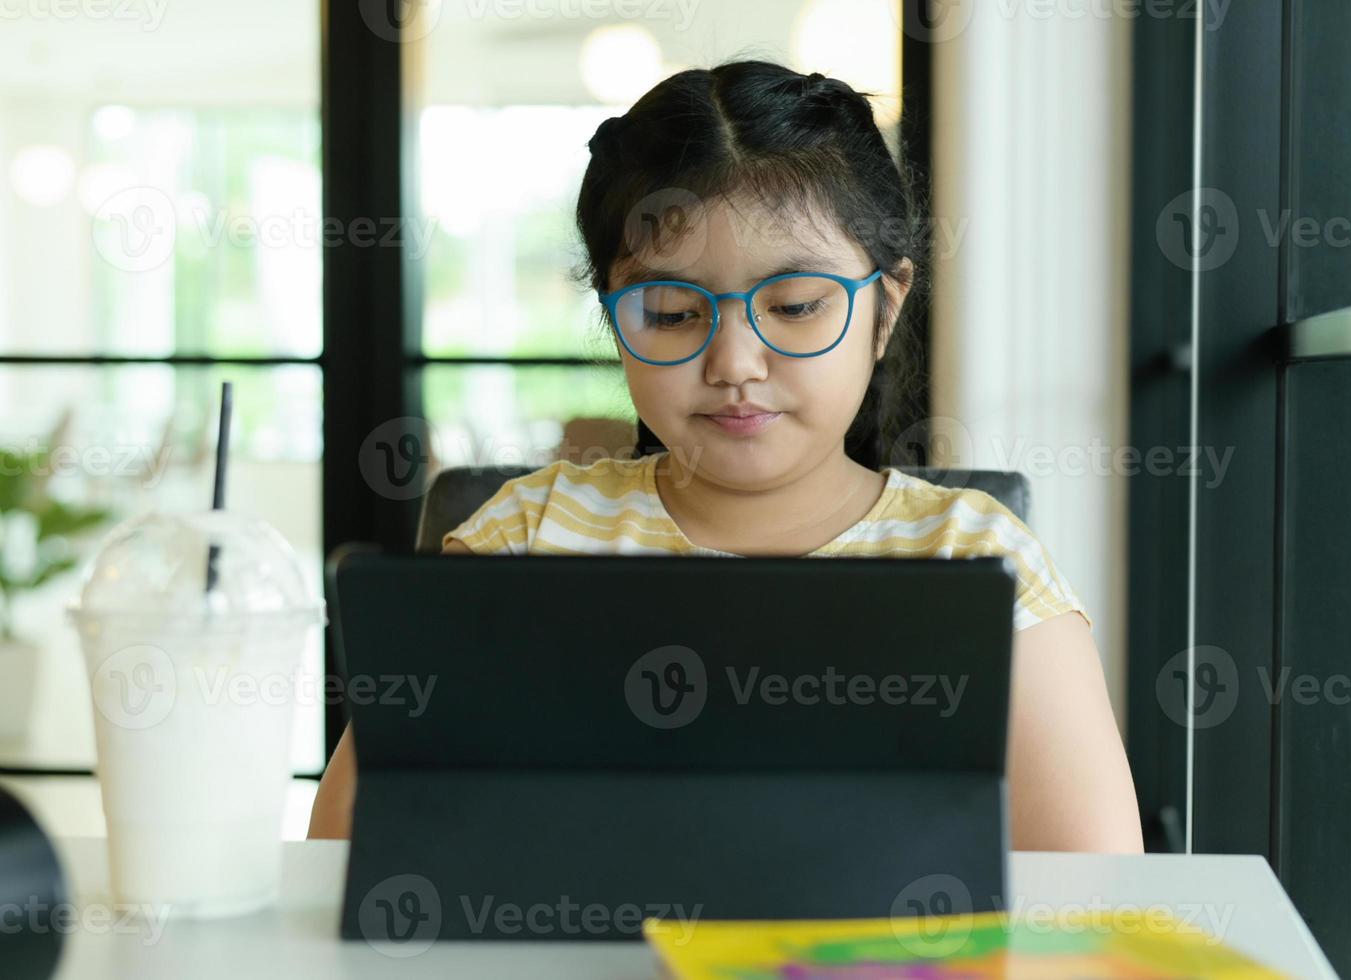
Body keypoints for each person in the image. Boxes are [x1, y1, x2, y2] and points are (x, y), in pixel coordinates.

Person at [309, 60, 1143, 852]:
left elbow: (1093, 884)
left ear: (883, 308)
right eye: (672, 313)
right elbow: (347, 849)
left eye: (794, 306)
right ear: (615, 323)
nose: (735, 363)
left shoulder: (976, 556)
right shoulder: (530, 537)